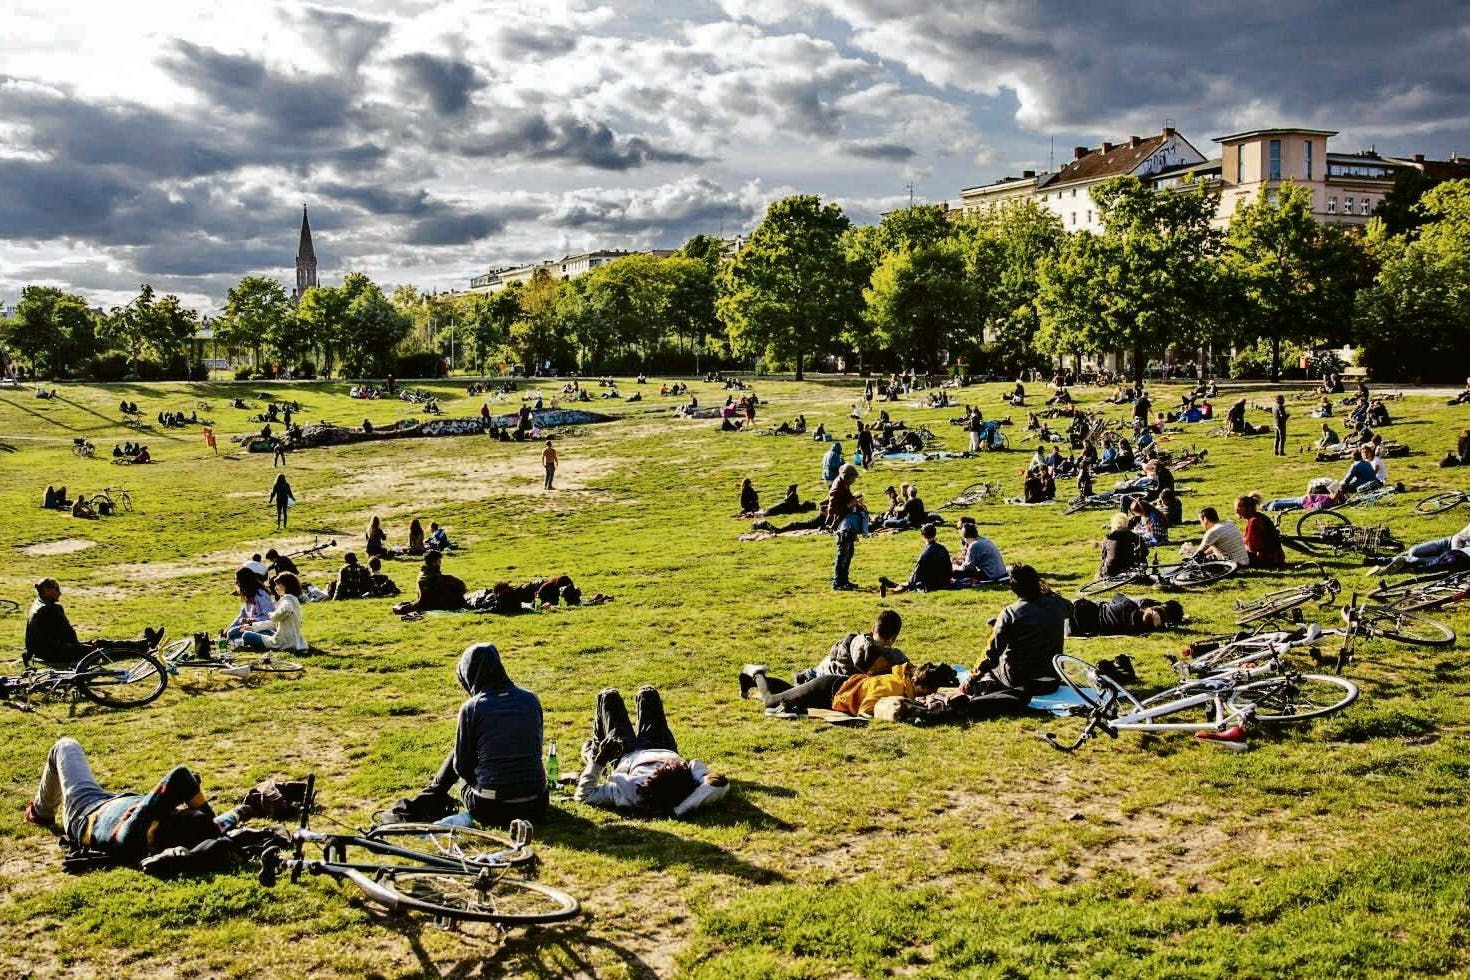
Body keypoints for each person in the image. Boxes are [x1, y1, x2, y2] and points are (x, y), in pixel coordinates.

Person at [24, 737, 295, 873]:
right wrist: (247, 809)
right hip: (119, 805)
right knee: (195, 795)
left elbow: (180, 775)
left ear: (172, 820)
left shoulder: (136, 830)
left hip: (86, 808)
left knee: (65, 746)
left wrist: (205, 814)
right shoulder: (167, 837)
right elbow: (216, 830)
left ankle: (41, 812)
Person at [389, 644, 547, 827]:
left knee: (459, 756)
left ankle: (434, 794)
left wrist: (481, 780)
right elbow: (535, 744)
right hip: (537, 805)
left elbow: (461, 765)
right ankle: (436, 793)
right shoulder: (530, 699)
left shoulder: (473, 708)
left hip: (493, 807)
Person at [574, 687, 729, 816]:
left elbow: (584, 795)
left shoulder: (630, 791)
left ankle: (593, 752)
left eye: (657, 771)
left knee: (608, 697)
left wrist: (599, 762)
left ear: (647, 784)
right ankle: (592, 752)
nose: (659, 767)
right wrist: (679, 810)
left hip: (626, 753)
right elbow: (720, 784)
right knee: (648, 694)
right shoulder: (691, 782)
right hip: (662, 747)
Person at [961, 564, 1071, 697]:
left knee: (992, 666)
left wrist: (971, 678)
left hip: (1019, 680)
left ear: (1014, 589)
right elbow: (1070, 608)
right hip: (1052, 681)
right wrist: (1049, 592)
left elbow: (991, 655)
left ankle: (986, 685)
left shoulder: (1009, 614)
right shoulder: (1057, 604)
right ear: (1038, 583)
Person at [24, 578, 160, 667]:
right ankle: (144, 647)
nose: (60, 593)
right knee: (102, 647)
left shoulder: (38, 603)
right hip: (55, 653)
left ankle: (144, 644)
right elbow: (68, 634)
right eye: (57, 589)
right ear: (46, 590)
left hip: (42, 651)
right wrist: (83, 648)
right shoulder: (52, 608)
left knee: (99, 643)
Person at [739, 661, 955, 716]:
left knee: (788, 693)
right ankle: (756, 673)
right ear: (924, 688)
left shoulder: (903, 680)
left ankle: (748, 682)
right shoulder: (895, 689)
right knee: (771, 701)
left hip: (836, 692)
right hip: (828, 689)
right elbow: (866, 709)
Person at [235, 572, 307, 653]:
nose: (275, 588)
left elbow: (286, 609)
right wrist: (253, 627)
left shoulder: (287, 600)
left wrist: (273, 615)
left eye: (277, 585)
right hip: (293, 640)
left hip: (284, 642)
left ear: (285, 585)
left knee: (246, 635)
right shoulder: (294, 599)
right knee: (263, 631)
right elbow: (274, 623)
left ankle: (241, 644)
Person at [1370, 521, 1470, 576]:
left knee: (1416, 560)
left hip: (1458, 559)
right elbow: (1458, 537)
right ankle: (1395, 563)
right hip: (1449, 544)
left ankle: (1380, 562)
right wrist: (1454, 551)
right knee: (1414, 550)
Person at [878, 524, 952, 597]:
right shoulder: (942, 548)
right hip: (945, 581)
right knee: (909, 584)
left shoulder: (926, 553)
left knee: (908, 585)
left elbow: (918, 570)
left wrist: (910, 582)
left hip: (931, 584)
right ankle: (893, 585)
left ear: (923, 536)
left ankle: (892, 591)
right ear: (935, 534)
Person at [825, 464, 864, 591]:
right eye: (853, 478)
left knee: (849, 553)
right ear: (848, 477)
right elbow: (832, 509)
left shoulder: (844, 484)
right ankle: (838, 582)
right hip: (843, 525)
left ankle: (845, 581)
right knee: (843, 554)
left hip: (848, 523)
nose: (854, 480)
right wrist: (848, 505)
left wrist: (855, 501)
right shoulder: (837, 488)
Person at [391, 550, 468, 615]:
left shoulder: (423, 573)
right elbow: (461, 587)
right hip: (431, 604)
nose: (440, 564)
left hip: (427, 602)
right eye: (439, 561)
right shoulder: (434, 577)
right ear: (434, 562)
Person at [1068, 595, 1183, 636]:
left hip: (1079, 610)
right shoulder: (1136, 630)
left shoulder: (1129, 605)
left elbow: (1116, 596)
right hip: (1081, 628)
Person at [225, 563, 275, 642]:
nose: (237, 584)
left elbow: (268, 616)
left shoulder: (261, 594)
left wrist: (250, 620)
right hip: (250, 627)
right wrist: (228, 629)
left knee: (233, 634)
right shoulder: (248, 596)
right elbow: (240, 617)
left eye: (238, 581)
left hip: (263, 627)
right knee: (230, 633)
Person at [1237, 494, 1285, 569]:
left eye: (1240, 507)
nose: (1237, 509)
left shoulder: (1254, 521)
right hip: (1277, 557)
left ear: (1248, 508)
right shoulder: (1258, 517)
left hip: (1268, 559)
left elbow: (1254, 547)